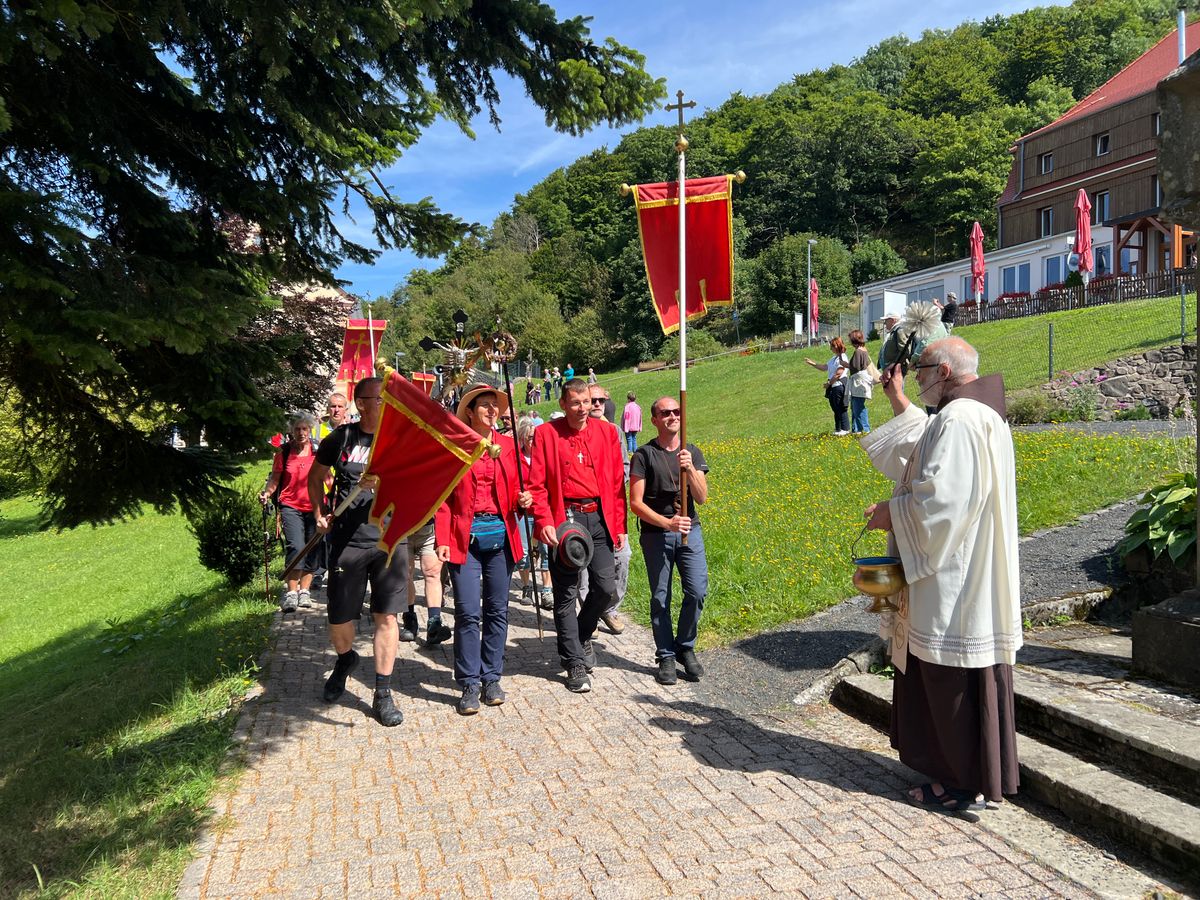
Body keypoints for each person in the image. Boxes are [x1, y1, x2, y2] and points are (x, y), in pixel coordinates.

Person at [862, 336, 1021, 813]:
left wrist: (893, 513)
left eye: (922, 369)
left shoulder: (960, 419)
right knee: (950, 672)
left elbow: (942, 503)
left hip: (955, 575)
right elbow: (924, 451)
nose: (917, 377)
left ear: (945, 371)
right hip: (966, 567)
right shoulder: (972, 414)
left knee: (949, 674)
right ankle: (965, 776)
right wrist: (897, 399)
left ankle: (958, 782)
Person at [307, 377, 408, 728]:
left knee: (387, 617)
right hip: (347, 542)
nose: (385, 405)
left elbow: (417, 480)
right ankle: (346, 659)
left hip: (390, 539)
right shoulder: (341, 439)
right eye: (379, 400)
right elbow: (315, 477)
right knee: (339, 619)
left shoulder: (399, 441)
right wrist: (319, 513)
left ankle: (383, 692)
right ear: (361, 403)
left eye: (387, 400)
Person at [436, 385, 531, 715]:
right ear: (470, 412)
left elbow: (522, 488)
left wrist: (524, 500)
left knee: (497, 610)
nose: (492, 411)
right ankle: (468, 682)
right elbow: (444, 499)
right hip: (465, 538)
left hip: (502, 538)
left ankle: (491, 677)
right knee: (467, 611)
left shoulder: (509, 446)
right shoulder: (457, 448)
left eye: (495, 405)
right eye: (485, 406)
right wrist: (443, 539)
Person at [529, 378, 627, 693]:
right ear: (563, 404)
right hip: (565, 519)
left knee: (605, 588)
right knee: (566, 593)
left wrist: (619, 525)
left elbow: (616, 482)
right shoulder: (546, 434)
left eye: (586, 402)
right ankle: (573, 661)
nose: (583, 408)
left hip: (599, 518)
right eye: (576, 403)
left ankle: (581, 634)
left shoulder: (607, 433)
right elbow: (536, 484)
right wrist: (543, 520)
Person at [629, 396, 710, 685]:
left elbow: (702, 497)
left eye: (676, 411)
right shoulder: (644, 455)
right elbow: (635, 503)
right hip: (656, 533)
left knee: (697, 591)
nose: (673, 416)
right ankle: (665, 655)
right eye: (665, 413)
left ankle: (684, 647)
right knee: (660, 596)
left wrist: (690, 469)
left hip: (690, 530)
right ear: (654, 420)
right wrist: (667, 523)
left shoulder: (692, 452)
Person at [580, 383, 632, 635]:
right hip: (583, 510)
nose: (598, 404)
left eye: (602, 400)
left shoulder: (615, 431)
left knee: (622, 559)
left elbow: (624, 466)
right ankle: (588, 613)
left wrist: (610, 487)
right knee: (583, 565)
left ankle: (607, 608)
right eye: (593, 400)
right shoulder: (577, 430)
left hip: (611, 508)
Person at [259, 413, 320, 611]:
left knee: (312, 547)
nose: (301, 433)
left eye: (304, 429)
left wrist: (334, 498)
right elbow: (275, 479)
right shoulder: (283, 452)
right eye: (297, 429)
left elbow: (326, 477)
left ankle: (305, 591)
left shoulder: (318, 451)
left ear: (310, 430)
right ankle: (292, 592)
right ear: (291, 431)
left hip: (315, 505)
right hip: (290, 505)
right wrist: (267, 493)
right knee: (296, 546)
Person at [514, 416, 553, 610]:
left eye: (536, 437)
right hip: (522, 511)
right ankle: (526, 586)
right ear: (522, 437)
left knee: (546, 549)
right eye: (530, 437)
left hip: (542, 509)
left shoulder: (544, 457)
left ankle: (547, 590)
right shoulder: (515, 458)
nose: (534, 441)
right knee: (523, 551)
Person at [400, 518, 453, 645]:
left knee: (432, 573)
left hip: (430, 529)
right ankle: (409, 621)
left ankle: (434, 625)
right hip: (401, 529)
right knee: (405, 575)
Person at [804, 337, 850, 436]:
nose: (830, 348)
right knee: (835, 408)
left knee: (841, 407)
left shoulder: (843, 357)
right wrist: (812, 364)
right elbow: (825, 367)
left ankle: (845, 429)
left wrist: (829, 383)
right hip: (833, 386)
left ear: (837, 346)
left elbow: (839, 373)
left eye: (832, 346)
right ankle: (838, 429)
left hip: (839, 385)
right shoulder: (834, 358)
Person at [846, 329, 874, 435]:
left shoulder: (858, 351)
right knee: (857, 406)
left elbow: (856, 367)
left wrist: (846, 365)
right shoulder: (864, 350)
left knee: (858, 406)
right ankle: (857, 429)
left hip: (858, 382)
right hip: (861, 382)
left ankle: (864, 429)